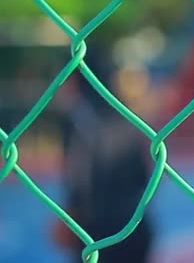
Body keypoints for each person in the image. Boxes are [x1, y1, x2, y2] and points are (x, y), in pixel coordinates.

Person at [52, 47, 154, 263]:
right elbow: (145, 176)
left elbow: (81, 177)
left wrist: (71, 214)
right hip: (135, 225)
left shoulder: (79, 120)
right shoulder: (127, 115)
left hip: (94, 231)